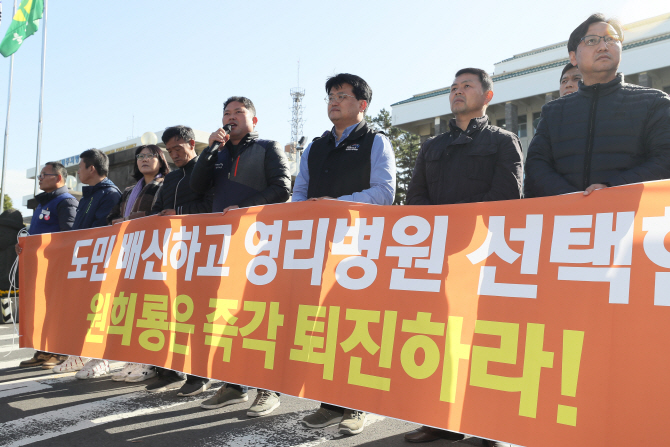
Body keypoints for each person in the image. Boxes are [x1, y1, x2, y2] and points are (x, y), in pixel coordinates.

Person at [405, 68, 522, 447]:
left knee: (484, 340)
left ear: (487, 96)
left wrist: (459, 224)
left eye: (467, 86)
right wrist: (441, 229)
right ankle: (438, 420)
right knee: (439, 336)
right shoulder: (432, 146)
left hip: (482, 258)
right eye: (453, 87)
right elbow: (416, 199)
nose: (458, 91)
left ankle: (490, 425)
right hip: (438, 257)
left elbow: (507, 196)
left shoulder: (504, 141)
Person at [292, 73, 396, 436]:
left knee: (358, 326)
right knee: (325, 324)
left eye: (342, 95)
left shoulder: (376, 141)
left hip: (361, 248)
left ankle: (359, 405)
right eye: (330, 96)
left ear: (361, 104)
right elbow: (299, 194)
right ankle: (329, 402)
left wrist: (337, 206)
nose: (334, 101)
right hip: (320, 246)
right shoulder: (315, 147)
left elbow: (384, 193)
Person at [192, 96, 291, 417]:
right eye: (226, 113)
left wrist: (247, 209)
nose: (231, 117)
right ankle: (234, 384)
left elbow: (282, 187)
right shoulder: (216, 152)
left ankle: (268, 390)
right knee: (227, 314)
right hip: (224, 244)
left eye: (238, 112)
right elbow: (196, 188)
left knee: (260, 317)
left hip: (261, 244)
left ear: (254, 119)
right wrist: (208, 151)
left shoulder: (267, 148)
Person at [525, 13, 670, 198]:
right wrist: (573, 197)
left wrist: (611, 189)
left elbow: (665, 160)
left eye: (611, 39)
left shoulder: (654, 102)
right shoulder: (553, 112)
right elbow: (536, 165)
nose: (603, 46)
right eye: (592, 41)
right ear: (573, 57)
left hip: (631, 218)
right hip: (566, 218)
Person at [146, 125, 214, 397]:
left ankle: (199, 375)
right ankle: (171, 369)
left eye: (179, 148)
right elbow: (157, 211)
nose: (175, 154)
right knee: (169, 313)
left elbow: (212, 207)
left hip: (200, 253)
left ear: (192, 144)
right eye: (170, 150)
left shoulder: (207, 170)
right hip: (170, 254)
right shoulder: (170, 179)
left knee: (197, 315)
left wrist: (179, 212)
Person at [54, 149, 122, 378]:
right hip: (84, 263)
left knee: (98, 310)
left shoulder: (110, 194)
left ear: (91, 168)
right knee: (82, 310)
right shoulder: (89, 195)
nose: (78, 173)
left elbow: (102, 232)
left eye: (80, 167)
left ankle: (101, 359)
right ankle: (82, 353)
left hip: (99, 264)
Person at [106, 144, 170, 383]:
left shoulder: (165, 183)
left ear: (160, 159)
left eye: (150, 156)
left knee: (149, 306)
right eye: (140, 156)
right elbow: (112, 216)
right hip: (129, 253)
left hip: (152, 252)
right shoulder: (129, 190)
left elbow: (161, 215)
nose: (144, 159)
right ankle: (133, 358)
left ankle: (148, 361)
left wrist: (131, 220)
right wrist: (119, 221)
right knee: (131, 307)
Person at [17, 162, 78, 369]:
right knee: (42, 309)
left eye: (44, 175)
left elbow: (69, 237)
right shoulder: (43, 202)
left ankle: (59, 352)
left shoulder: (66, 201)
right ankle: (43, 350)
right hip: (40, 265)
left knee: (57, 308)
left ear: (59, 178)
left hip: (57, 266)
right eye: (40, 175)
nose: (40, 178)